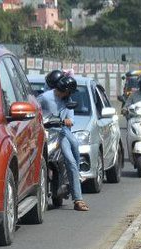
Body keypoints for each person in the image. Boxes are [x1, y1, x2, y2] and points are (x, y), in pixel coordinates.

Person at [38, 70, 88, 211]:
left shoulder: (69, 101)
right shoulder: (45, 97)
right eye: (69, 91)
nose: (70, 94)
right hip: (45, 133)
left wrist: (67, 121)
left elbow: (71, 120)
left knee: (71, 160)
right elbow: (35, 109)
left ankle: (78, 199)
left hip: (61, 133)